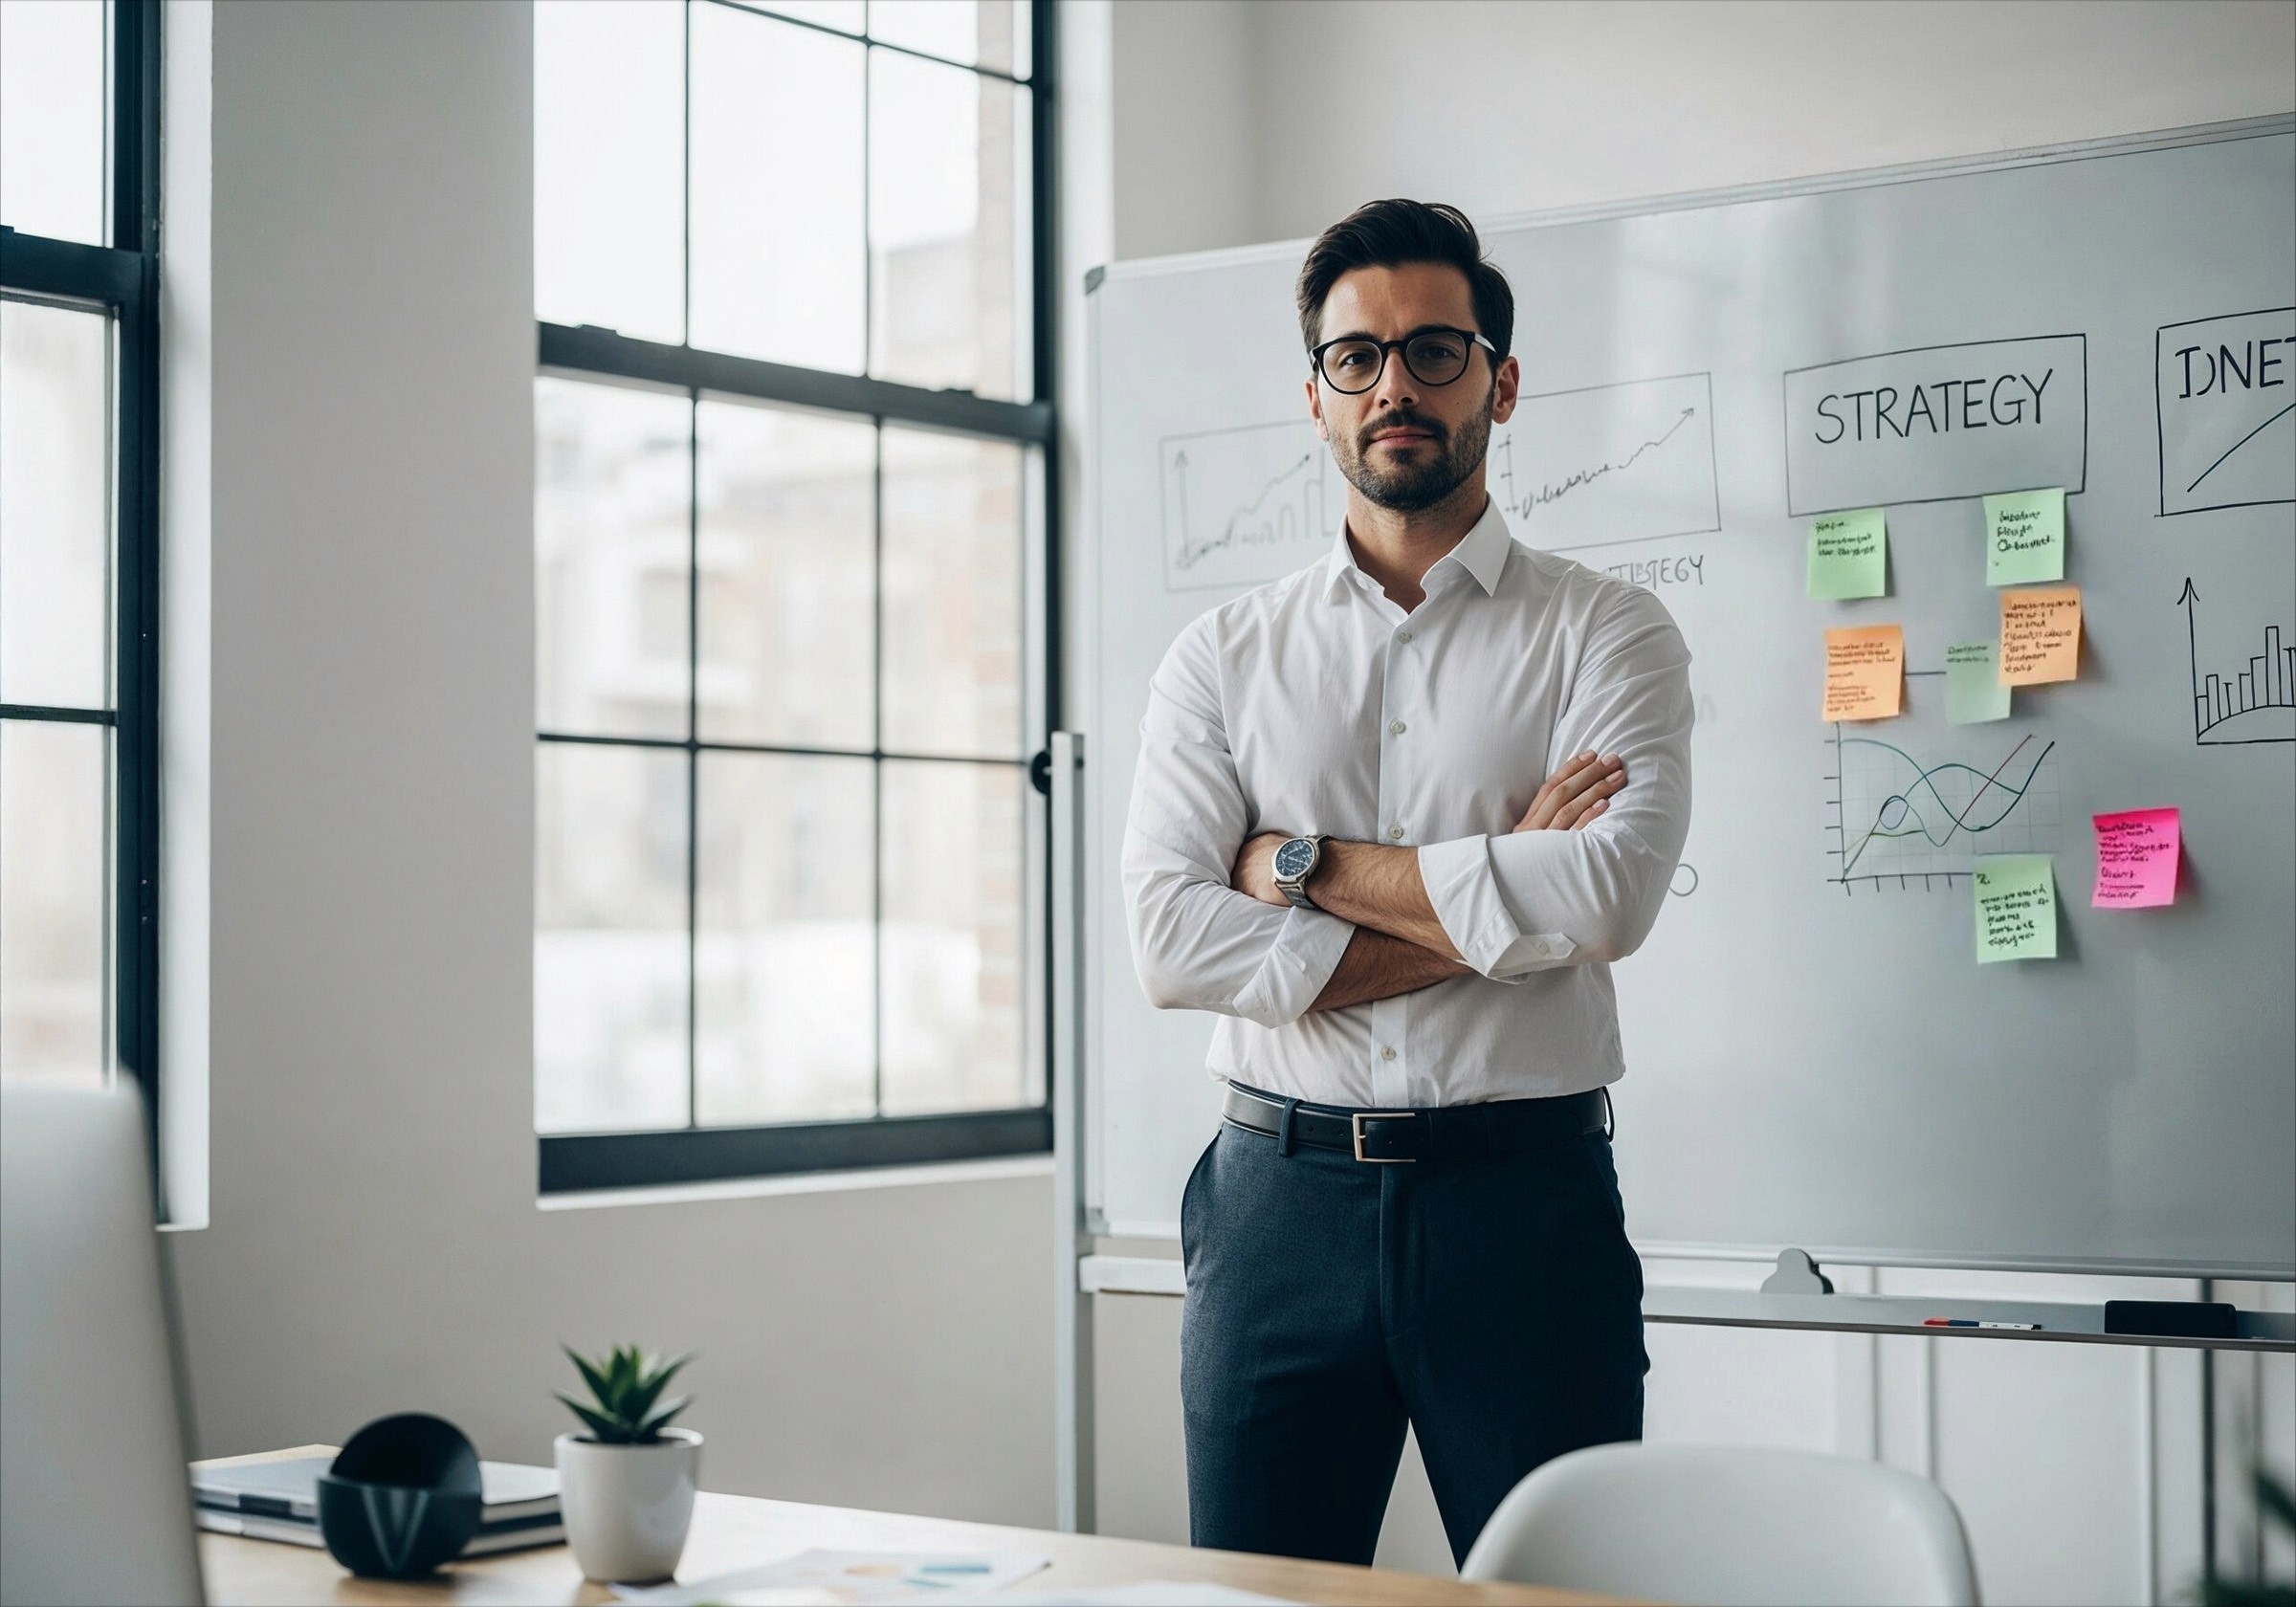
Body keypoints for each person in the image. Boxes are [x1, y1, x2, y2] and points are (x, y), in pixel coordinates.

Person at [1120, 199, 1694, 1569]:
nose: (1395, 386)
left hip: (1520, 1209)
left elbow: (1605, 896)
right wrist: (1504, 903)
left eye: (1436, 352)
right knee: (1261, 1603)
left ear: (1500, 381)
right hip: (1275, 1207)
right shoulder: (1222, 656)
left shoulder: (1609, 630)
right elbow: (1168, 941)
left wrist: (1296, 868)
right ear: (1313, 397)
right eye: (1356, 358)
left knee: (1567, 1600)